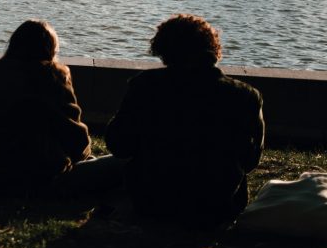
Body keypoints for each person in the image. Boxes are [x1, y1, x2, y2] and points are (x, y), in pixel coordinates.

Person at [105, 14, 265, 227]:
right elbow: (250, 160)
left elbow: (119, 145)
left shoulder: (144, 87)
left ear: (163, 49)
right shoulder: (245, 95)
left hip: (151, 202)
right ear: (213, 49)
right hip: (218, 206)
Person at [0, 20, 93, 194]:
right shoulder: (54, 76)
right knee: (117, 164)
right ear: (50, 49)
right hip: (42, 177)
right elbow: (76, 140)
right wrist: (85, 152)